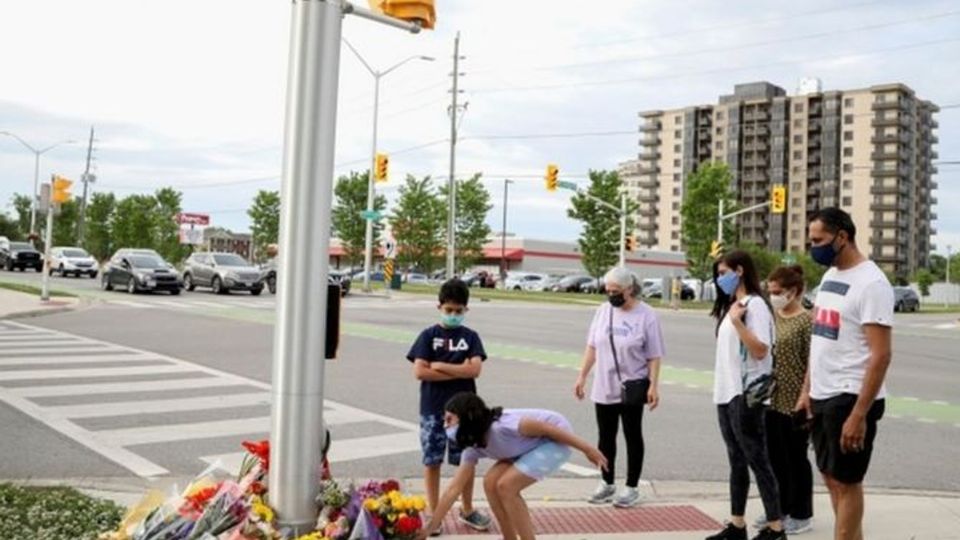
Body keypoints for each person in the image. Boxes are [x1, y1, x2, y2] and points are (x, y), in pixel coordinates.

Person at [796, 208, 893, 540]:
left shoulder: (872, 283)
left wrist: (859, 414)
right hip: (823, 392)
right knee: (830, 476)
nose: (814, 247)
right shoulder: (830, 277)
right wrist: (807, 388)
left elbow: (881, 355)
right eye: (812, 240)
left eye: (819, 240)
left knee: (847, 481)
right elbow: (820, 337)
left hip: (851, 395)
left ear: (842, 236)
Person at [416, 393, 607, 540]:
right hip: (524, 446)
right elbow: (453, 490)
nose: (445, 425)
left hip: (555, 438)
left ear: (468, 417)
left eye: (449, 419)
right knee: (490, 482)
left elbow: (548, 429)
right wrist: (431, 526)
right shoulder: (473, 447)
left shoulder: (503, 426)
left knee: (506, 486)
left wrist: (588, 450)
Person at [707, 250, 786, 540]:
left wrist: (738, 323)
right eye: (718, 274)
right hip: (727, 392)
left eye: (724, 272)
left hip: (748, 394)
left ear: (740, 271)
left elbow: (760, 349)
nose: (720, 279)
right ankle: (737, 524)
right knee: (736, 460)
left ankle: (776, 528)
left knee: (757, 460)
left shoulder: (755, 306)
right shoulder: (733, 305)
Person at [574, 266, 664, 508]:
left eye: (615, 291)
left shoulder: (647, 315)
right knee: (606, 436)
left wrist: (654, 386)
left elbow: (654, 355)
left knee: (632, 435)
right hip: (604, 384)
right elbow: (592, 346)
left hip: (633, 385)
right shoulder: (603, 312)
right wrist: (582, 376)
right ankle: (607, 482)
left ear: (629, 289)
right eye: (608, 290)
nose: (611, 295)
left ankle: (632, 487)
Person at [406, 279, 491, 535]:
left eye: (458, 310)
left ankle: (466, 509)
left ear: (466, 310)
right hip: (433, 410)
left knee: (466, 461)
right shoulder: (428, 336)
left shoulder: (470, 337)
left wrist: (440, 366)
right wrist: (460, 371)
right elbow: (420, 371)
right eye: (449, 309)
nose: (453, 315)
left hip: (466, 413)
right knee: (432, 461)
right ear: (439, 307)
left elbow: (475, 369)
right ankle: (435, 512)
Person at [764, 265, 814, 535]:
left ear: (793, 291)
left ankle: (802, 513)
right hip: (770, 399)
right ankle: (779, 509)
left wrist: (806, 395)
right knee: (774, 458)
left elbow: (812, 361)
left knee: (796, 458)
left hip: (796, 400)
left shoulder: (807, 320)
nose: (773, 296)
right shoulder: (772, 316)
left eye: (777, 292)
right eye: (770, 291)